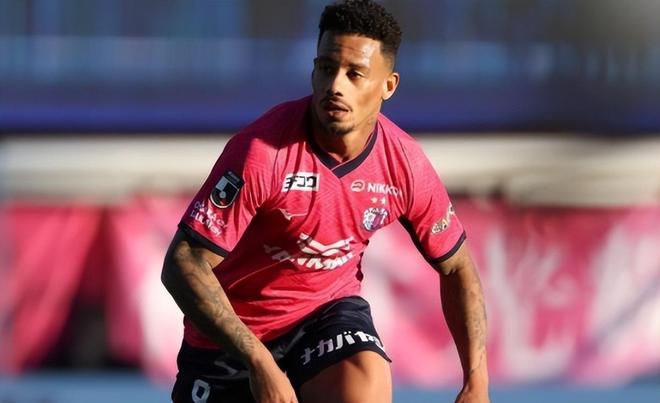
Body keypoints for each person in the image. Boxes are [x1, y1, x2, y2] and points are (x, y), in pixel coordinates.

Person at [161, 1, 490, 402]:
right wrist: (259, 360)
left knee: (364, 380)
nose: (336, 85)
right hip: (233, 342)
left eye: (355, 74)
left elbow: (457, 267)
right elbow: (183, 263)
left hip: (325, 319)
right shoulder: (262, 152)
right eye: (326, 68)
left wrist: (476, 380)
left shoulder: (404, 163)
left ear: (388, 86)